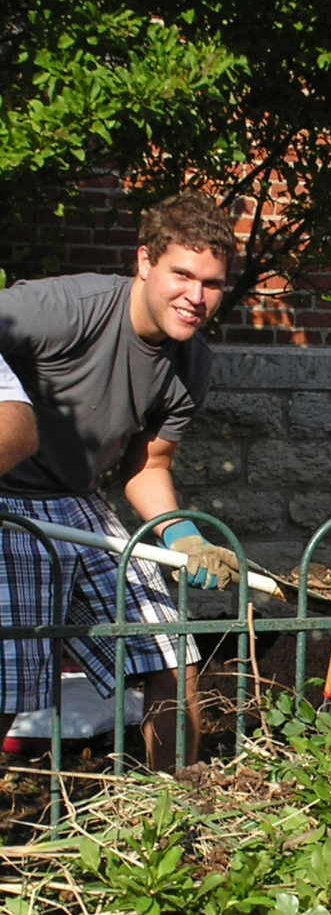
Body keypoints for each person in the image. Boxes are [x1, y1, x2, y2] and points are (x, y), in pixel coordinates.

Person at [0, 191, 242, 772]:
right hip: (9, 502)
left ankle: (175, 809)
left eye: (211, 283)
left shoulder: (191, 363)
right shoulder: (66, 308)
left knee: (170, 655)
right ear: (144, 262)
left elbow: (148, 466)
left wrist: (180, 536)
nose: (196, 296)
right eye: (182, 274)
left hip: (79, 504)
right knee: (8, 686)